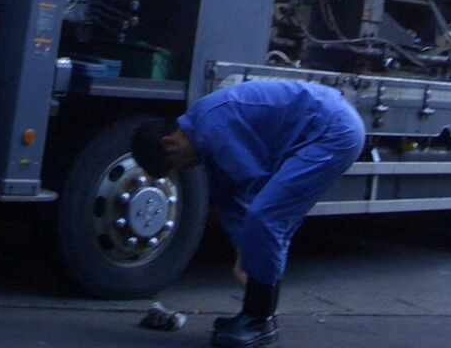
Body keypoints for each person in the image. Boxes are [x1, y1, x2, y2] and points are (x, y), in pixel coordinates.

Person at [131, 79, 365, 348]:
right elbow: (229, 202)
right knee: (268, 218)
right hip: (322, 128)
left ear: (170, 144)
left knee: (267, 215)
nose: (182, 169)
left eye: (174, 165)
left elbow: (255, 187)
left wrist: (252, 256)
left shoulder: (212, 126)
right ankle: (254, 314)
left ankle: (259, 319)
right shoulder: (204, 136)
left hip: (334, 130)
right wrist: (244, 251)